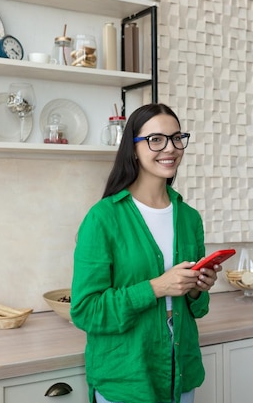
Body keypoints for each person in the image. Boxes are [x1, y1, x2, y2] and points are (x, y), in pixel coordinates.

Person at [71, 103, 222, 403]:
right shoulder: (102, 218)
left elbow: (199, 308)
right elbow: (86, 310)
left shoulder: (190, 218)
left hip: (181, 371)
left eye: (177, 138)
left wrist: (197, 289)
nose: (170, 148)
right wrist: (156, 287)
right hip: (127, 375)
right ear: (133, 149)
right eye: (156, 139)